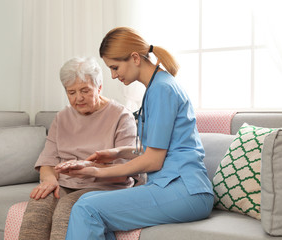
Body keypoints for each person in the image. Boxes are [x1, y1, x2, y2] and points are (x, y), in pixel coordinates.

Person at [55, 27, 214, 240]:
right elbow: (157, 147)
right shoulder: (157, 87)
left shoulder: (162, 89)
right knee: (89, 200)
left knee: (87, 208)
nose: (113, 75)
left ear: (135, 58)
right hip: (175, 187)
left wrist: (95, 171)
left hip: (186, 191)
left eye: (115, 67)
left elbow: (153, 161)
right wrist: (117, 152)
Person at [18, 56, 140, 240]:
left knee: (68, 210)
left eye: (85, 90)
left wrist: (87, 170)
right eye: (71, 92)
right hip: (67, 184)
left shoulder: (121, 117)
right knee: (38, 205)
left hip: (106, 186)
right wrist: (49, 180)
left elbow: (125, 171)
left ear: (99, 87)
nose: (78, 98)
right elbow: (47, 162)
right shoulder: (62, 117)